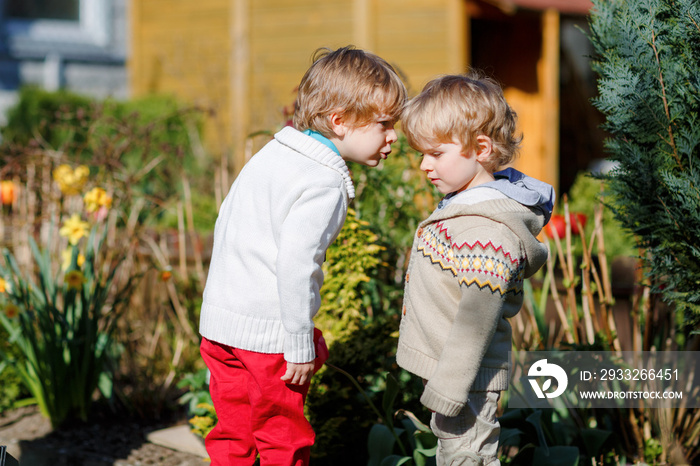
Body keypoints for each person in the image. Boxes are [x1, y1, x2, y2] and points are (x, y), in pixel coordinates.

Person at [198, 45, 406, 466]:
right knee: (282, 439)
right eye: (384, 124)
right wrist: (297, 343)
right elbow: (296, 264)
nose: (394, 136)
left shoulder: (273, 154)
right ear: (340, 121)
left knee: (233, 438)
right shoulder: (323, 182)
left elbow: (227, 224)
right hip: (269, 338)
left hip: (220, 327)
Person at [396, 73, 554, 466]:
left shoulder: (486, 231)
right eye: (421, 153)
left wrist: (448, 389)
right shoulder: (463, 204)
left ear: (480, 148)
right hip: (453, 373)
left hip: (464, 381)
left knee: (467, 458)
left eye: (435, 154)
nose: (423, 165)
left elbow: (476, 320)